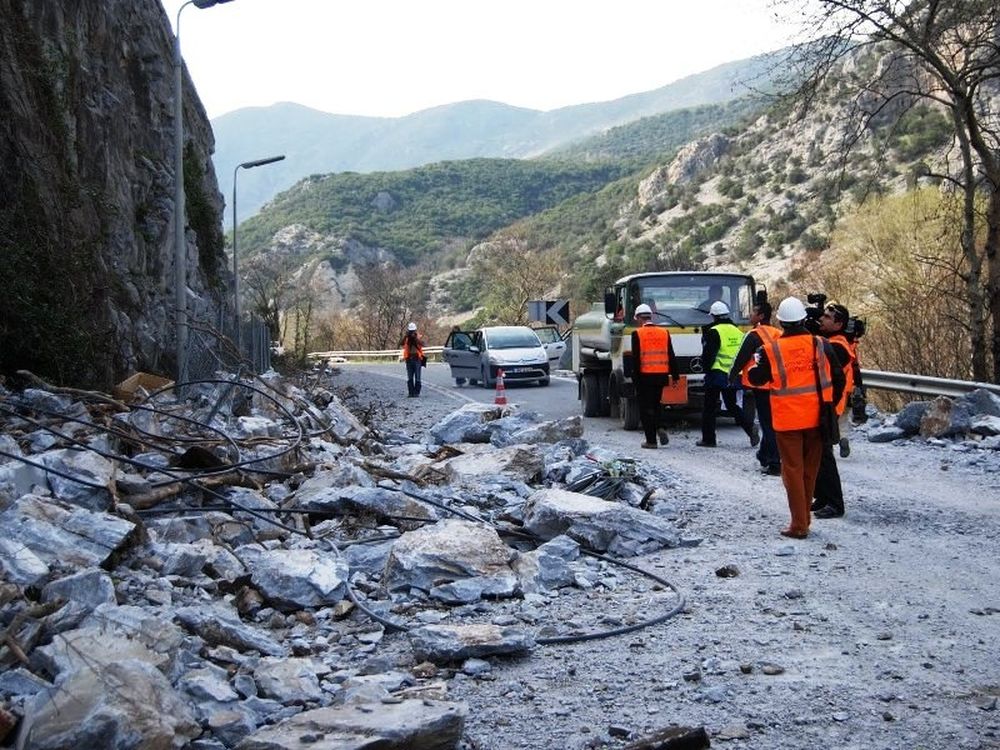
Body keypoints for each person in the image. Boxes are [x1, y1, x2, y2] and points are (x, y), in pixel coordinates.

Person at [748, 297, 845, 539]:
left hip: (787, 420)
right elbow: (839, 378)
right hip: (817, 418)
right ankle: (804, 520)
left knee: (792, 471)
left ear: (781, 322)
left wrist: (753, 368)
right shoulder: (821, 344)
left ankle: (799, 524)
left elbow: (757, 379)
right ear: (803, 319)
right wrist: (830, 405)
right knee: (810, 469)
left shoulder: (770, 350)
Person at [811, 303, 854, 519]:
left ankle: (835, 503)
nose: (822, 319)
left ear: (838, 324)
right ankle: (823, 497)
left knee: (825, 455)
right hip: (825, 404)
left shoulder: (838, 347)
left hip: (830, 407)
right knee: (817, 453)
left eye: (827, 317)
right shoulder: (831, 341)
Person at [729, 300, 782, 475]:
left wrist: (731, 376)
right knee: (771, 423)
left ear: (761, 316)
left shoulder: (753, 335)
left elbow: (740, 358)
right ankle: (764, 455)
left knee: (767, 424)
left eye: (753, 312)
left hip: (761, 385)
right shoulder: (778, 333)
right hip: (779, 384)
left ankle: (774, 462)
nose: (750, 314)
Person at [697, 301, 759, 448]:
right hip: (733, 374)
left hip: (717, 373)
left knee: (709, 407)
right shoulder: (737, 331)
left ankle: (708, 439)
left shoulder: (713, 331)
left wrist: (706, 371)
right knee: (731, 405)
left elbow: (708, 356)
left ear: (714, 316)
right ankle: (750, 428)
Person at [630, 303, 678, 449]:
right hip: (661, 376)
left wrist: (635, 380)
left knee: (645, 408)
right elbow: (671, 355)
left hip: (644, 377)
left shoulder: (637, 334)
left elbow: (636, 360)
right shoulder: (664, 332)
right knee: (657, 404)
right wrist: (675, 376)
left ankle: (651, 441)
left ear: (639, 318)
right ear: (651, 317)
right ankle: (660, 426)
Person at [401, 322, 425, 397]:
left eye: (413, 331)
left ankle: (416, 392)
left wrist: (415, 338)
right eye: (410, 331)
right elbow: (401, 343)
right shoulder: (407, 338)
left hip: (417, 359)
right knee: (410, 377)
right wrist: (406, 336)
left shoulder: (418, 337)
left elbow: (423, 344)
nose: (411, 332)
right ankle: (411, 392)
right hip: (409, 359)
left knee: (418, 377)